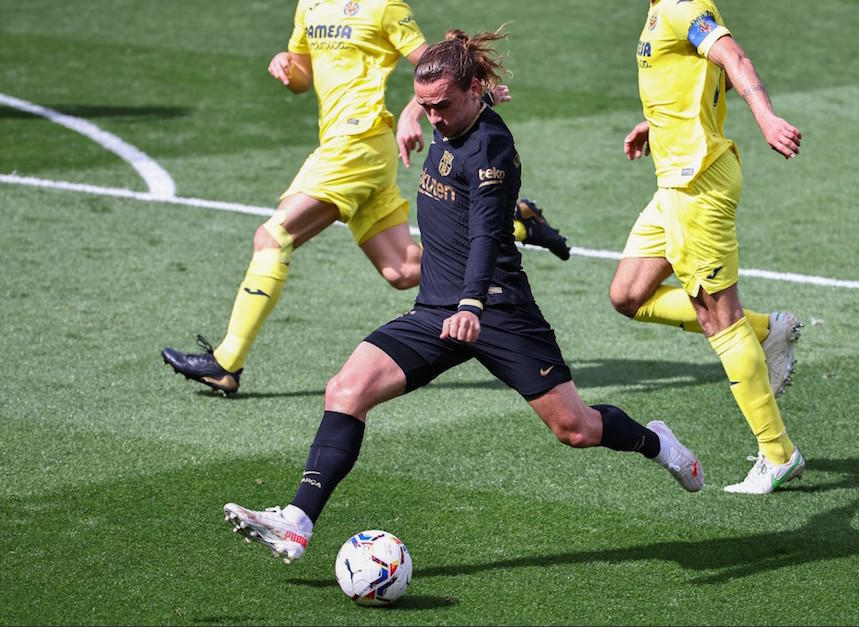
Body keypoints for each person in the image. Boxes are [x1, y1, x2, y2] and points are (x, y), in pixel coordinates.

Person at [221, 29, 704, 564]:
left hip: (496, 310)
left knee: (576, 429)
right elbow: (441, 81)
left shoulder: (491, 148)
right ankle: (297, 521)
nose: (433, 117)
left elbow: (485, 237)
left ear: (474, 91)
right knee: (346, 388)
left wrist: (472, 305)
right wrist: (410, 116)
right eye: (424, 106)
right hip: (435, 310)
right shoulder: (454, 105)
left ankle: (655, 442)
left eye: (441, 106)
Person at [160, 0, 570, 396]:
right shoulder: (310, 4)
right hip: (341, 143)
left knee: (272, 237)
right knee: (403, 269)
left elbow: (436, 65)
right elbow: (303, 73)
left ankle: (227, 362)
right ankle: (515, 224)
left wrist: (414, 114)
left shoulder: (383, 5)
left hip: (360, 143)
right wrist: (288, 68)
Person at [608, 0, 805, 494]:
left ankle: (778, 453)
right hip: (673, 185)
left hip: (697, 183)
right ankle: (767, 331)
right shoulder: (662, 9)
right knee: (628, 295)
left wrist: (766, 118)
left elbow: (735, 59)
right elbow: (685, 80)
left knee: (720, 319)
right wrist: (653, 125)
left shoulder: (681, 7)